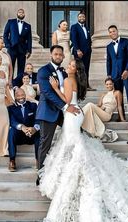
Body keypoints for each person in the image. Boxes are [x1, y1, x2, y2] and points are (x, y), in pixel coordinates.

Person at [38, 58, 128, 222]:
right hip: (75, 113)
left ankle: (78, 174)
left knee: (73, 146)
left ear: (75, 70)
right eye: (69, 63)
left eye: (71, 65)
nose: (68, 65)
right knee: (74, 146)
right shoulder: (73, 79)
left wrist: (55, 88)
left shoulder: (69, 80)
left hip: (71, 114)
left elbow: (67, 100)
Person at [35, 45, 79, 182]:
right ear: (51, 55)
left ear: (63, 56)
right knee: (45, 143)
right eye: (56, 54)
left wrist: (71, 105)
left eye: (60, 54)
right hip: (48, 112)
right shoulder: (43, 71)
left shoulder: (64, 73)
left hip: (63, 112)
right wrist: (66, 107)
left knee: (78, 134)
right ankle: (41, 175)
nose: (58, 56)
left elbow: (67, 93)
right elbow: (47, 93)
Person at [7, 88, 40, 172]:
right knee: (11, 132)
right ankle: (12, 160)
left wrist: (34, 128)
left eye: (22, 95)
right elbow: (12, 121)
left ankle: (38, 160)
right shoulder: (11, 108)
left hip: (31, 135)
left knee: (39, 133)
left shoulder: (33, 105)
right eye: (18, 95)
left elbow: (38, 119)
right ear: (15, 97)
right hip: (19, 136)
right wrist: (22, 127)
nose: (21, 97)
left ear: (25, 95)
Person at [106, 25, 128, 118]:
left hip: (127, 74)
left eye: (113, 31)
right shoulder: (109, 46)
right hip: (115, 75)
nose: (112, 33)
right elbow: (109, 61)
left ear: (117, 31)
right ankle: (121, 117)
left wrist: (127, 70)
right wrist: (109, 74)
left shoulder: (127, 42)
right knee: (119, 96)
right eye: (110, 32)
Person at [70, 11, 95, 91]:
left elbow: (88, 40)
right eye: (80, 17)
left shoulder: (87, 28)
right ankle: (79, 86)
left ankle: (86, 85)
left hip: (87, 52)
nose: (82, 18)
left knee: (86, 68)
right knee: (79, 69)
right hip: (79, 52)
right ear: (78, 18)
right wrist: (77, 50)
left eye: (83, 17)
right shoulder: (74, 27)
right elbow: (73, 39)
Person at [3, 8, 32, 77]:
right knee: (10, 67)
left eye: (22, 13)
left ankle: (18, 84)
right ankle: (10, 83)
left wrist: (29, 50)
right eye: (19, 12)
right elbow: (5, 34)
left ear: (24, 14)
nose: (21, 13)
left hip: (22, 49)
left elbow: (29, 39)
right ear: (17, 14)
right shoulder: (11, 22)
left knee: (21, 68)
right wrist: (7, 44)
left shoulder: (28, 26)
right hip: (12, 48)